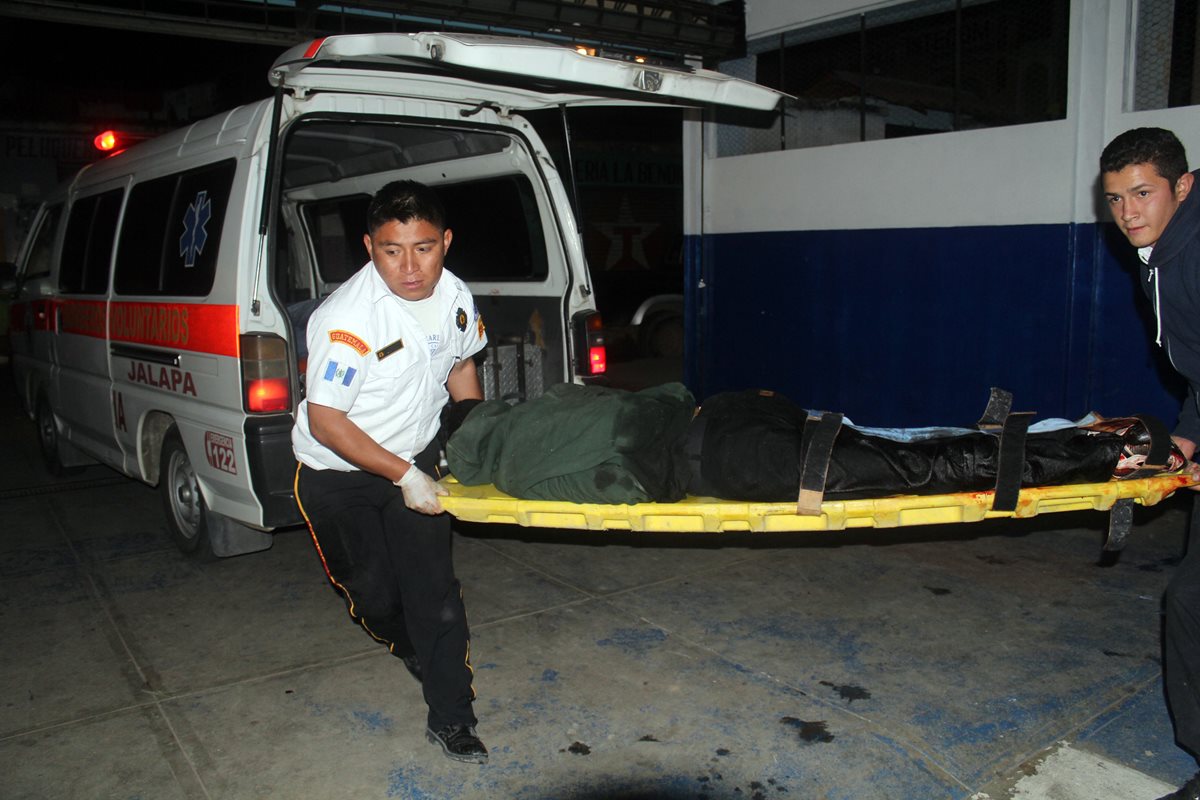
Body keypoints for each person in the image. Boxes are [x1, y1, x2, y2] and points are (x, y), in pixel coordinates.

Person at [291, 180, 489, 764]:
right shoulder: (347, 320)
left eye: (423, 247)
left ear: (446, 242)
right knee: (374, 595)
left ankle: (453, 717)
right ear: (369, 247)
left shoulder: (454, 293)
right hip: (337, 473)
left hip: (417, 454)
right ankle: (407, 643)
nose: (409, 266)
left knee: (436, 595)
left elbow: (460, 363)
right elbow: (328, 421)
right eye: (391, 250)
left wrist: (472, 436)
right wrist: (404, 476)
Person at [1101, 126, 1200, 800]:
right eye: (1115, 198)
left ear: (1183, 188)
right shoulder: (1159, 254)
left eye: (1143, 193)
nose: (1129, 211)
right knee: (1191, 603)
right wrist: (1187, 441)